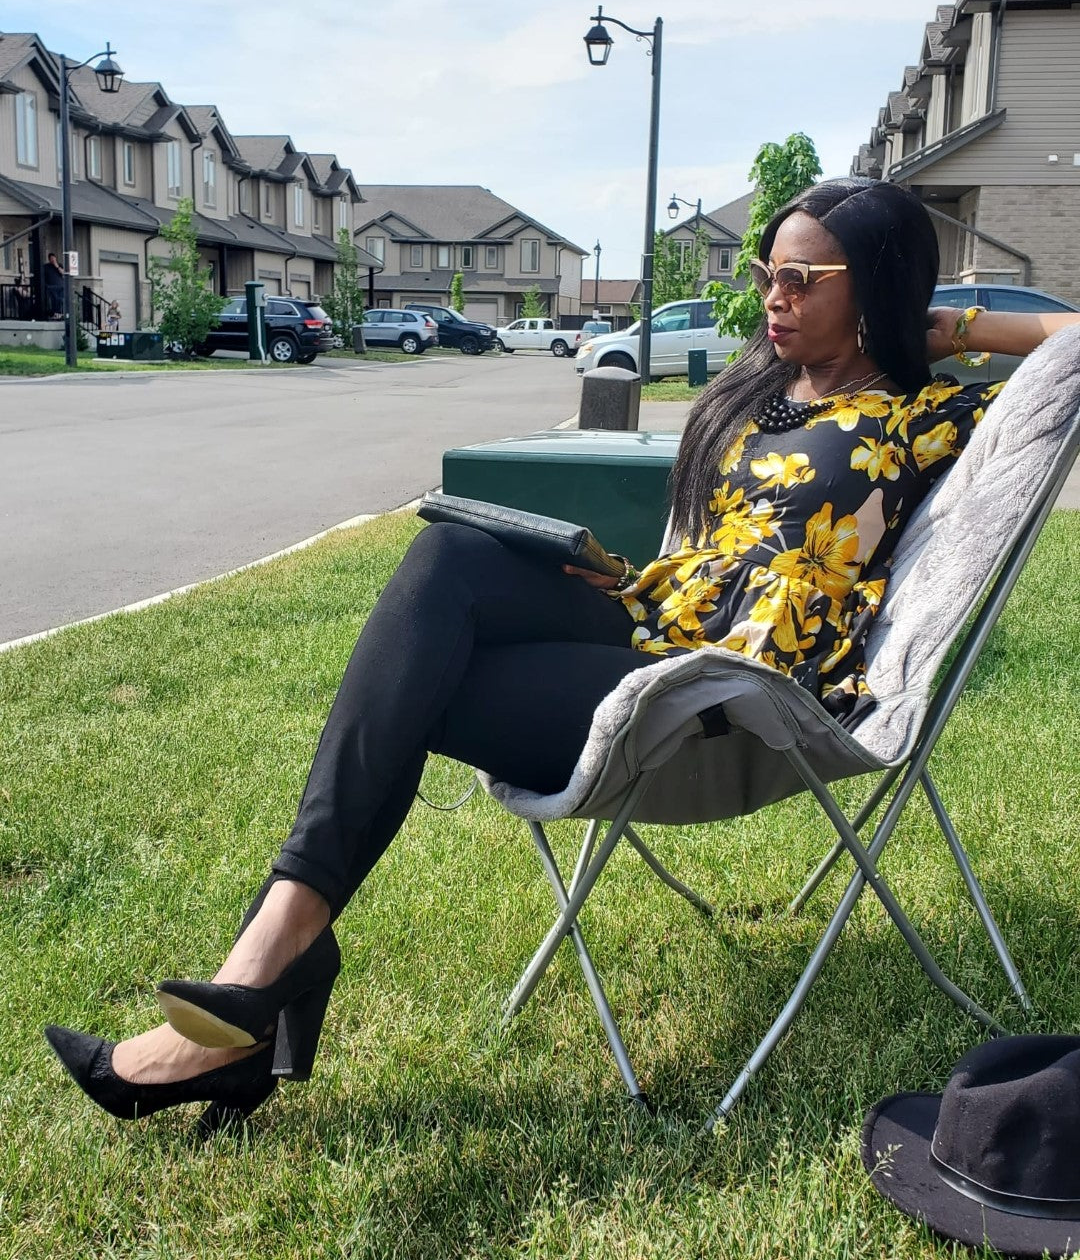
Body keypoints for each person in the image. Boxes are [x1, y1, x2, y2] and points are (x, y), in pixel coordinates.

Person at [44, 178, 1080, 1133]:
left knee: (416, 687)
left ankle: (260, 981)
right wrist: (616, 580)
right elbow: (713, 551)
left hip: (743, 691)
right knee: (449, 553)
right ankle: (270, 961)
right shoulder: (764, 390)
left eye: (804, 279)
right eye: (768, 273)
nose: (774, 296)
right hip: (652, 628)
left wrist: (952, 325)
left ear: (882, 288)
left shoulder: (929, 413)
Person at [44, 251, 66, 320]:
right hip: (51, 286)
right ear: (49, 259)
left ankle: (59, 314)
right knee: (55, 299)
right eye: (51, 258)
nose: (53, 260)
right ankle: (55, 314)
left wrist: (57, 266)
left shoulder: (59, 265)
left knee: (60, 300)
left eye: (54, 258)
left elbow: (63, 273)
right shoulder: (46, 267)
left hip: (61, 286)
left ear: (55, 258)